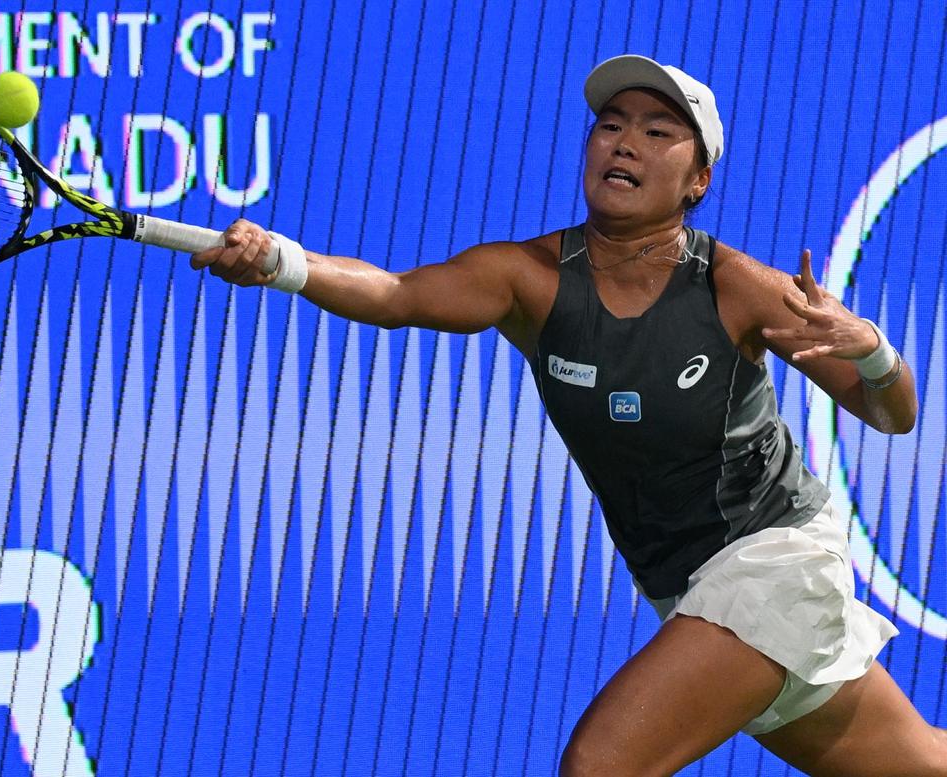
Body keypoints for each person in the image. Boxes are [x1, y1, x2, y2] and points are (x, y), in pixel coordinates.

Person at [191, 54, 943, 776]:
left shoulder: (737, 285)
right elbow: (394, 294)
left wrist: (874, 351)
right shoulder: (529, 278)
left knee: (602, 764)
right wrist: (283, 262)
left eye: (658, 131)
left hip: (773, 561)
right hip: (685, 586)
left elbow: (891, 413)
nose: (624, 141)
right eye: (611, 123)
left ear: (698, 181)